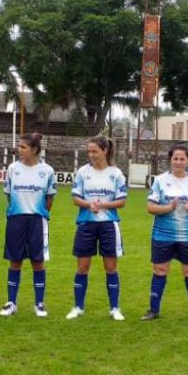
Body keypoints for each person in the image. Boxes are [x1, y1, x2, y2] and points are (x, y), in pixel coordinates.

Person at [142, 144, 188, 322]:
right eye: (175, 158)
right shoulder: (160, 180)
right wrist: (168, 207)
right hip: (163, 235)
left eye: (182, 158)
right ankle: (153, 310)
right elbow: (150, 207)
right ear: (170, 160)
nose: (178, 162)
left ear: (187, 160)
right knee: (160, 271)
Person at [66, 137, 127, 321]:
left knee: (110, 268)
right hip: (86, 224)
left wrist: (104, 205)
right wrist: (88, 204)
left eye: (95, 151)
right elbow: (76, 198)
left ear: (105, 150)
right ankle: (78, 307)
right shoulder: (83, 172)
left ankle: (115, 308)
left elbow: (122, 201)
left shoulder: (116, 174)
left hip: (109, 225)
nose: (91, 155)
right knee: (82, 267)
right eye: (89, 151)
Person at [0, 133, 57, 317]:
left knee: (37, 262)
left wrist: (38, 211)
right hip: (16, 218)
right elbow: (8, 194)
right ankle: (11, 303)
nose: (19, 150)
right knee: (15, 261)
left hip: (37, 220)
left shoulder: (47, 171)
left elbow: (50, 198)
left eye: (23, 147)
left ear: (34, 150)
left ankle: (39, 303)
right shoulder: (13, 168)